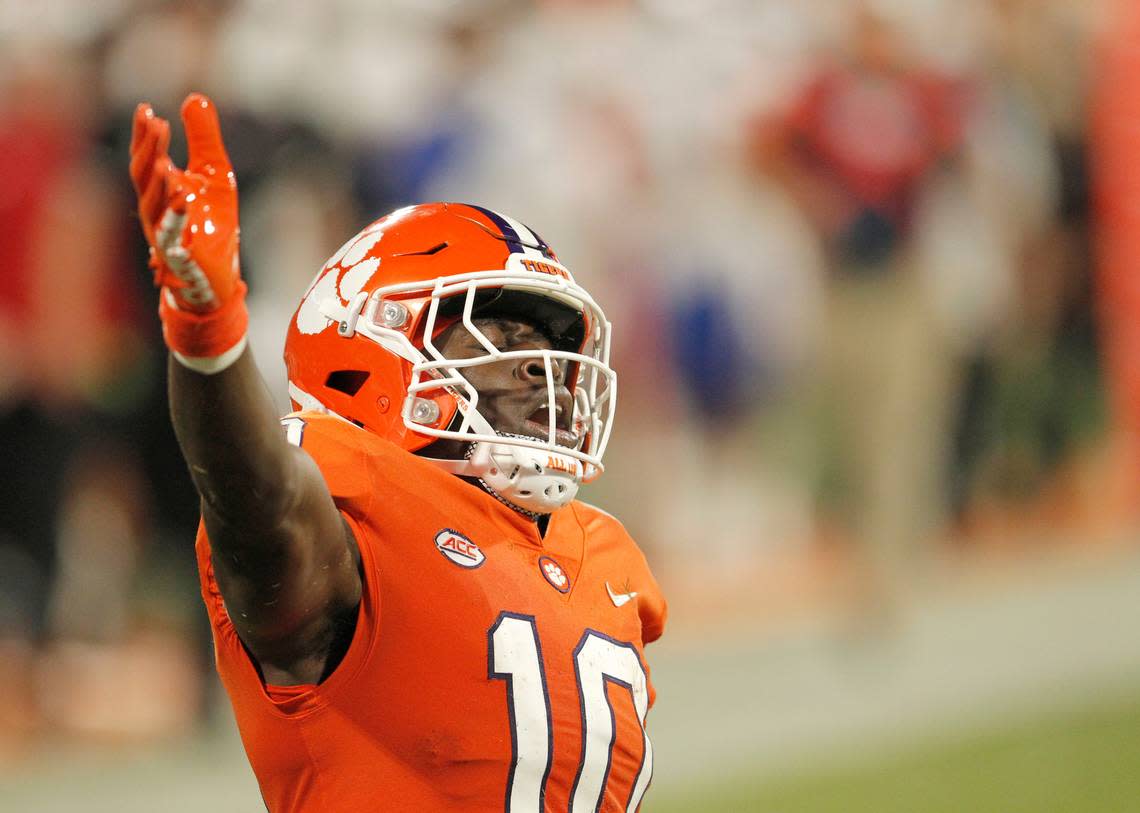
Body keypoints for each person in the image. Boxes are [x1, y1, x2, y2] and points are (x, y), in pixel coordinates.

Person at [128, 92, 666, 812]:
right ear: (373, 353)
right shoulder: (353, 522)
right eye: (498, 337)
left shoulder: (608, 558)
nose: (540, 365)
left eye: (547, 345)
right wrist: (209, 334)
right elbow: (258, 501)